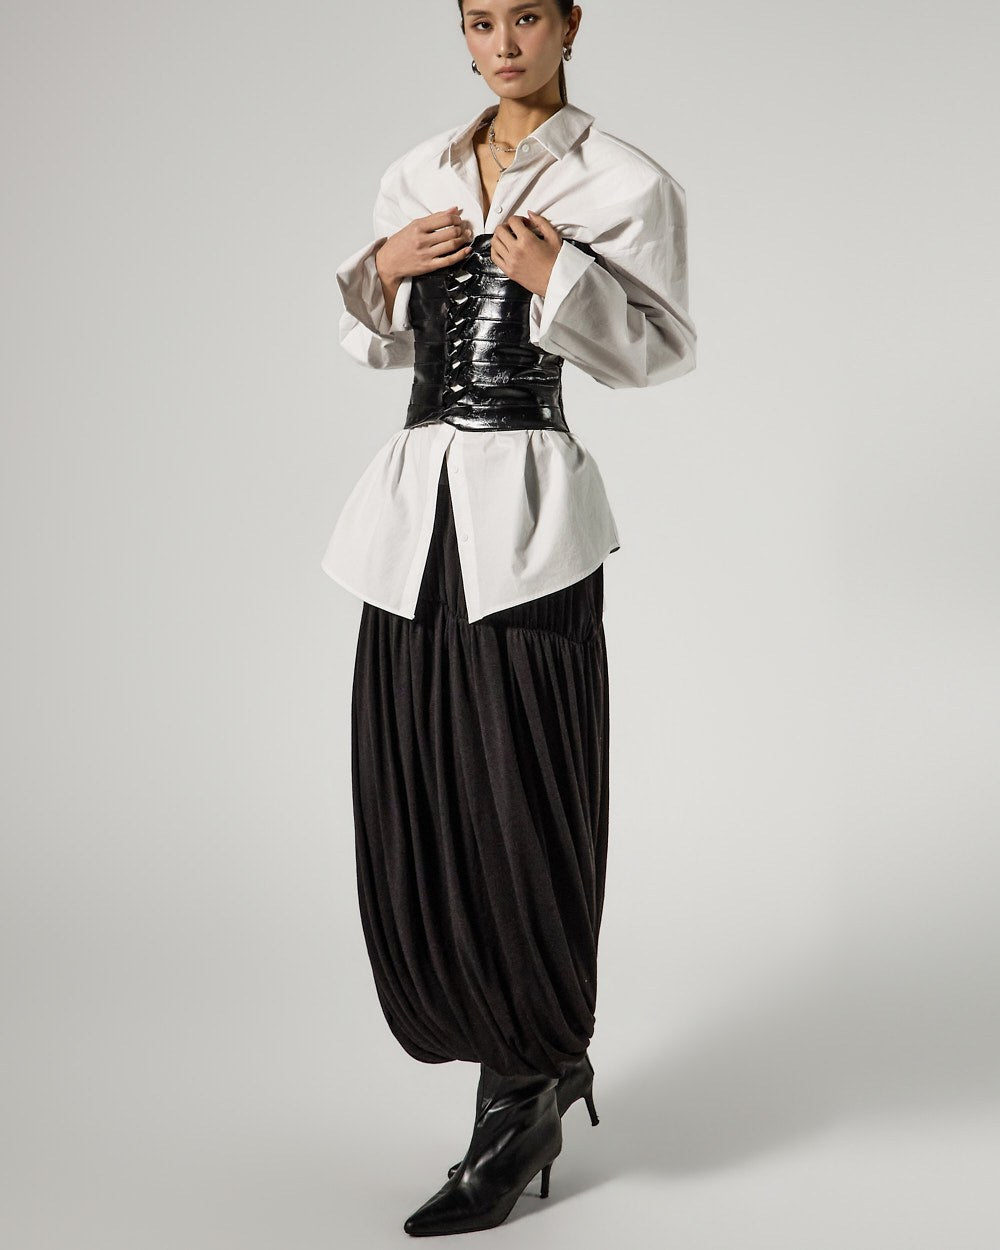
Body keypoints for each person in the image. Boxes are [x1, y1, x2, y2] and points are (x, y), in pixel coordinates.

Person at [320, 0, 696, 1235]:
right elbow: (372, 343)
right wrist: (383, 271)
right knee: (420, 787)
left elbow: (659, 351)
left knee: (522, 796)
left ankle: (526, 1077)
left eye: (525, 16)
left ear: (570, 23)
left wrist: (559, 278)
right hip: (410, 519)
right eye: (479, 21)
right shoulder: (416, 172)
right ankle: (514, 1056)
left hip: (529, 524)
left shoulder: (622, 179)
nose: (502, 45)